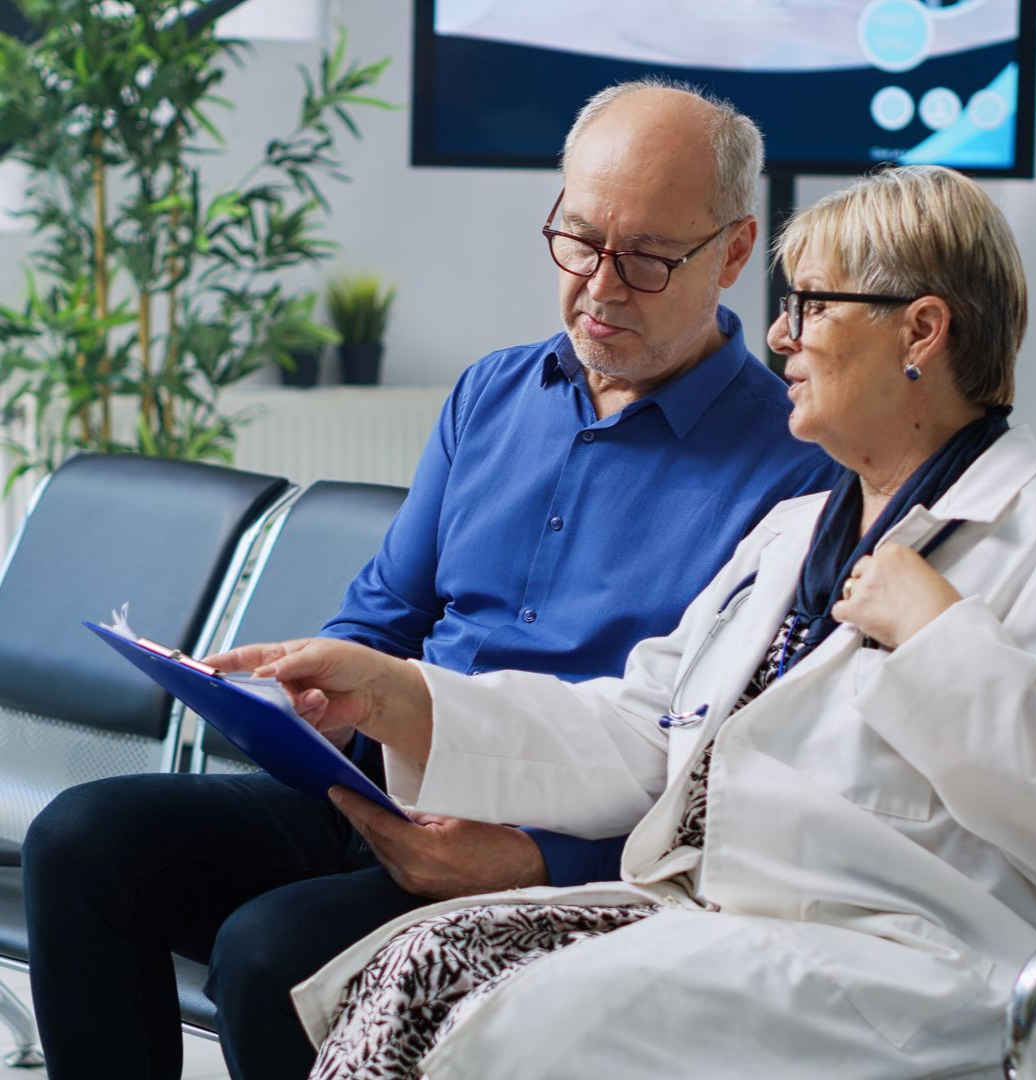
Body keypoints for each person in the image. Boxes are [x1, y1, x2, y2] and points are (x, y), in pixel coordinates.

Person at [211, 165, 1036, 1080]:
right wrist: (403, 697)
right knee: (408, 967)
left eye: (809, 305)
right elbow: (642, 729)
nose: (778, 337)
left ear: (920, 331)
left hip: (908, 963)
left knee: (522, 1027)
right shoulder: (797, 532)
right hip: (725, 921)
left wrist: (940, 643)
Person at [20, 80, 837, 1080]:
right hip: (380, 791)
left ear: (735, 252)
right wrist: (300, 697)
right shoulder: (492, 392)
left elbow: (730, 782)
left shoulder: (797, 470)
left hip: (553, 852)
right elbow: (383, 617)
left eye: (648, 258)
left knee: (272, 951)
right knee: (82, 840)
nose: (600, 285)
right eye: (577, 241)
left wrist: (540, 860)